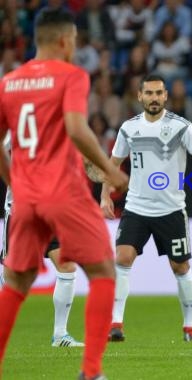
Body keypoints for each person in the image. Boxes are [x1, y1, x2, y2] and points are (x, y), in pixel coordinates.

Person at [0, 8, 128, 380]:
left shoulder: (9, 82)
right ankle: (91, 372)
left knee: (17, 283)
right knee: (104, 270)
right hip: (64, 191)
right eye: (73, 40)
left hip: (24, 198)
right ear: (63, 40)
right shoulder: (71, 76)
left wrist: (14, 184)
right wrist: (109, 170)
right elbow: (75, 127)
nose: (74, 46)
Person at [100, 73, 192, 343]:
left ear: (166, 96)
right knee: (122, 259)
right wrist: (105, 196)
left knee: (180, 267)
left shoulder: (181, 126)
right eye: (149, 93)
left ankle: (189, 327)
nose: (154, 98)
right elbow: (113, 163)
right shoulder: (129, 128)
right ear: (140, 96)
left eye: (159, 93)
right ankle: (116, 324)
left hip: (171, 210)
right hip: (136, 207)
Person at [1, 135, 83, 348]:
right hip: (22, 210)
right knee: (10, 274)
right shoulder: (19, 120)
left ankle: (60, 335)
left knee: (67, 266)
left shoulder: (62, 123)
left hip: (53, 210)